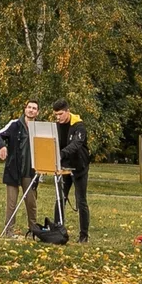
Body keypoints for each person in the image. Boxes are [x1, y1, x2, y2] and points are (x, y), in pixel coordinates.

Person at [0, 101, 41, 237]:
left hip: (31, 171)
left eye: (34, 108)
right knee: (11, 203)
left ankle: (33, 231)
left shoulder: (40, 127)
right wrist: (2, 146)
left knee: (31, 202)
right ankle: (9, 231)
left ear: (38, 112)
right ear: (25, 109)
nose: (31, 110)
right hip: (13, 170)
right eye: (29, 107)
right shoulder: (14, 124)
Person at [52, 99, 90, 243]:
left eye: (60, 114)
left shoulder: (79, 125)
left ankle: (84, 235)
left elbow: (77, 144)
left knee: (81, 201)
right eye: (56, 115)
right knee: (60, 199)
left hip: (80, 167)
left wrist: (62, 153)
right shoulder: (56, 125)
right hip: (64, 168)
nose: (58, 117)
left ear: (67, 111)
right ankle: (57, 230)